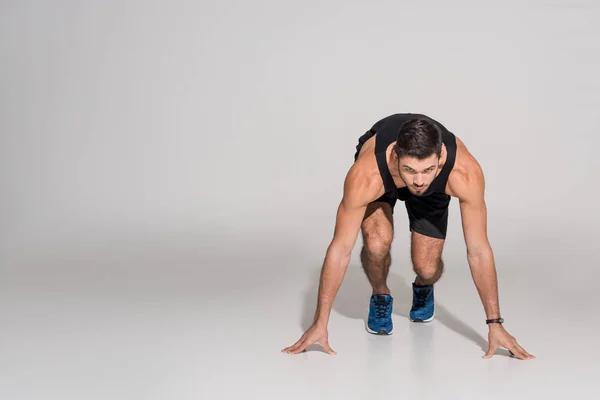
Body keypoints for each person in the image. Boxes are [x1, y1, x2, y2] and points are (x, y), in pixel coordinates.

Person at [282, 113, 535, 360]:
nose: (419, 181)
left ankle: (424, 287)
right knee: (376, 242)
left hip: (432, 183)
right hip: (384, 178)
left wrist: (495, 323)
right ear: (395, 156)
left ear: (441, 157)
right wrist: (319, 323)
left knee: (427, 267)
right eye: (410, 169)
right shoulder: (366, 176)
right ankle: (380, 293)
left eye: (428, 169)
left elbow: (478, 251)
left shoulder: (464, 173)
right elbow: (340, 249)